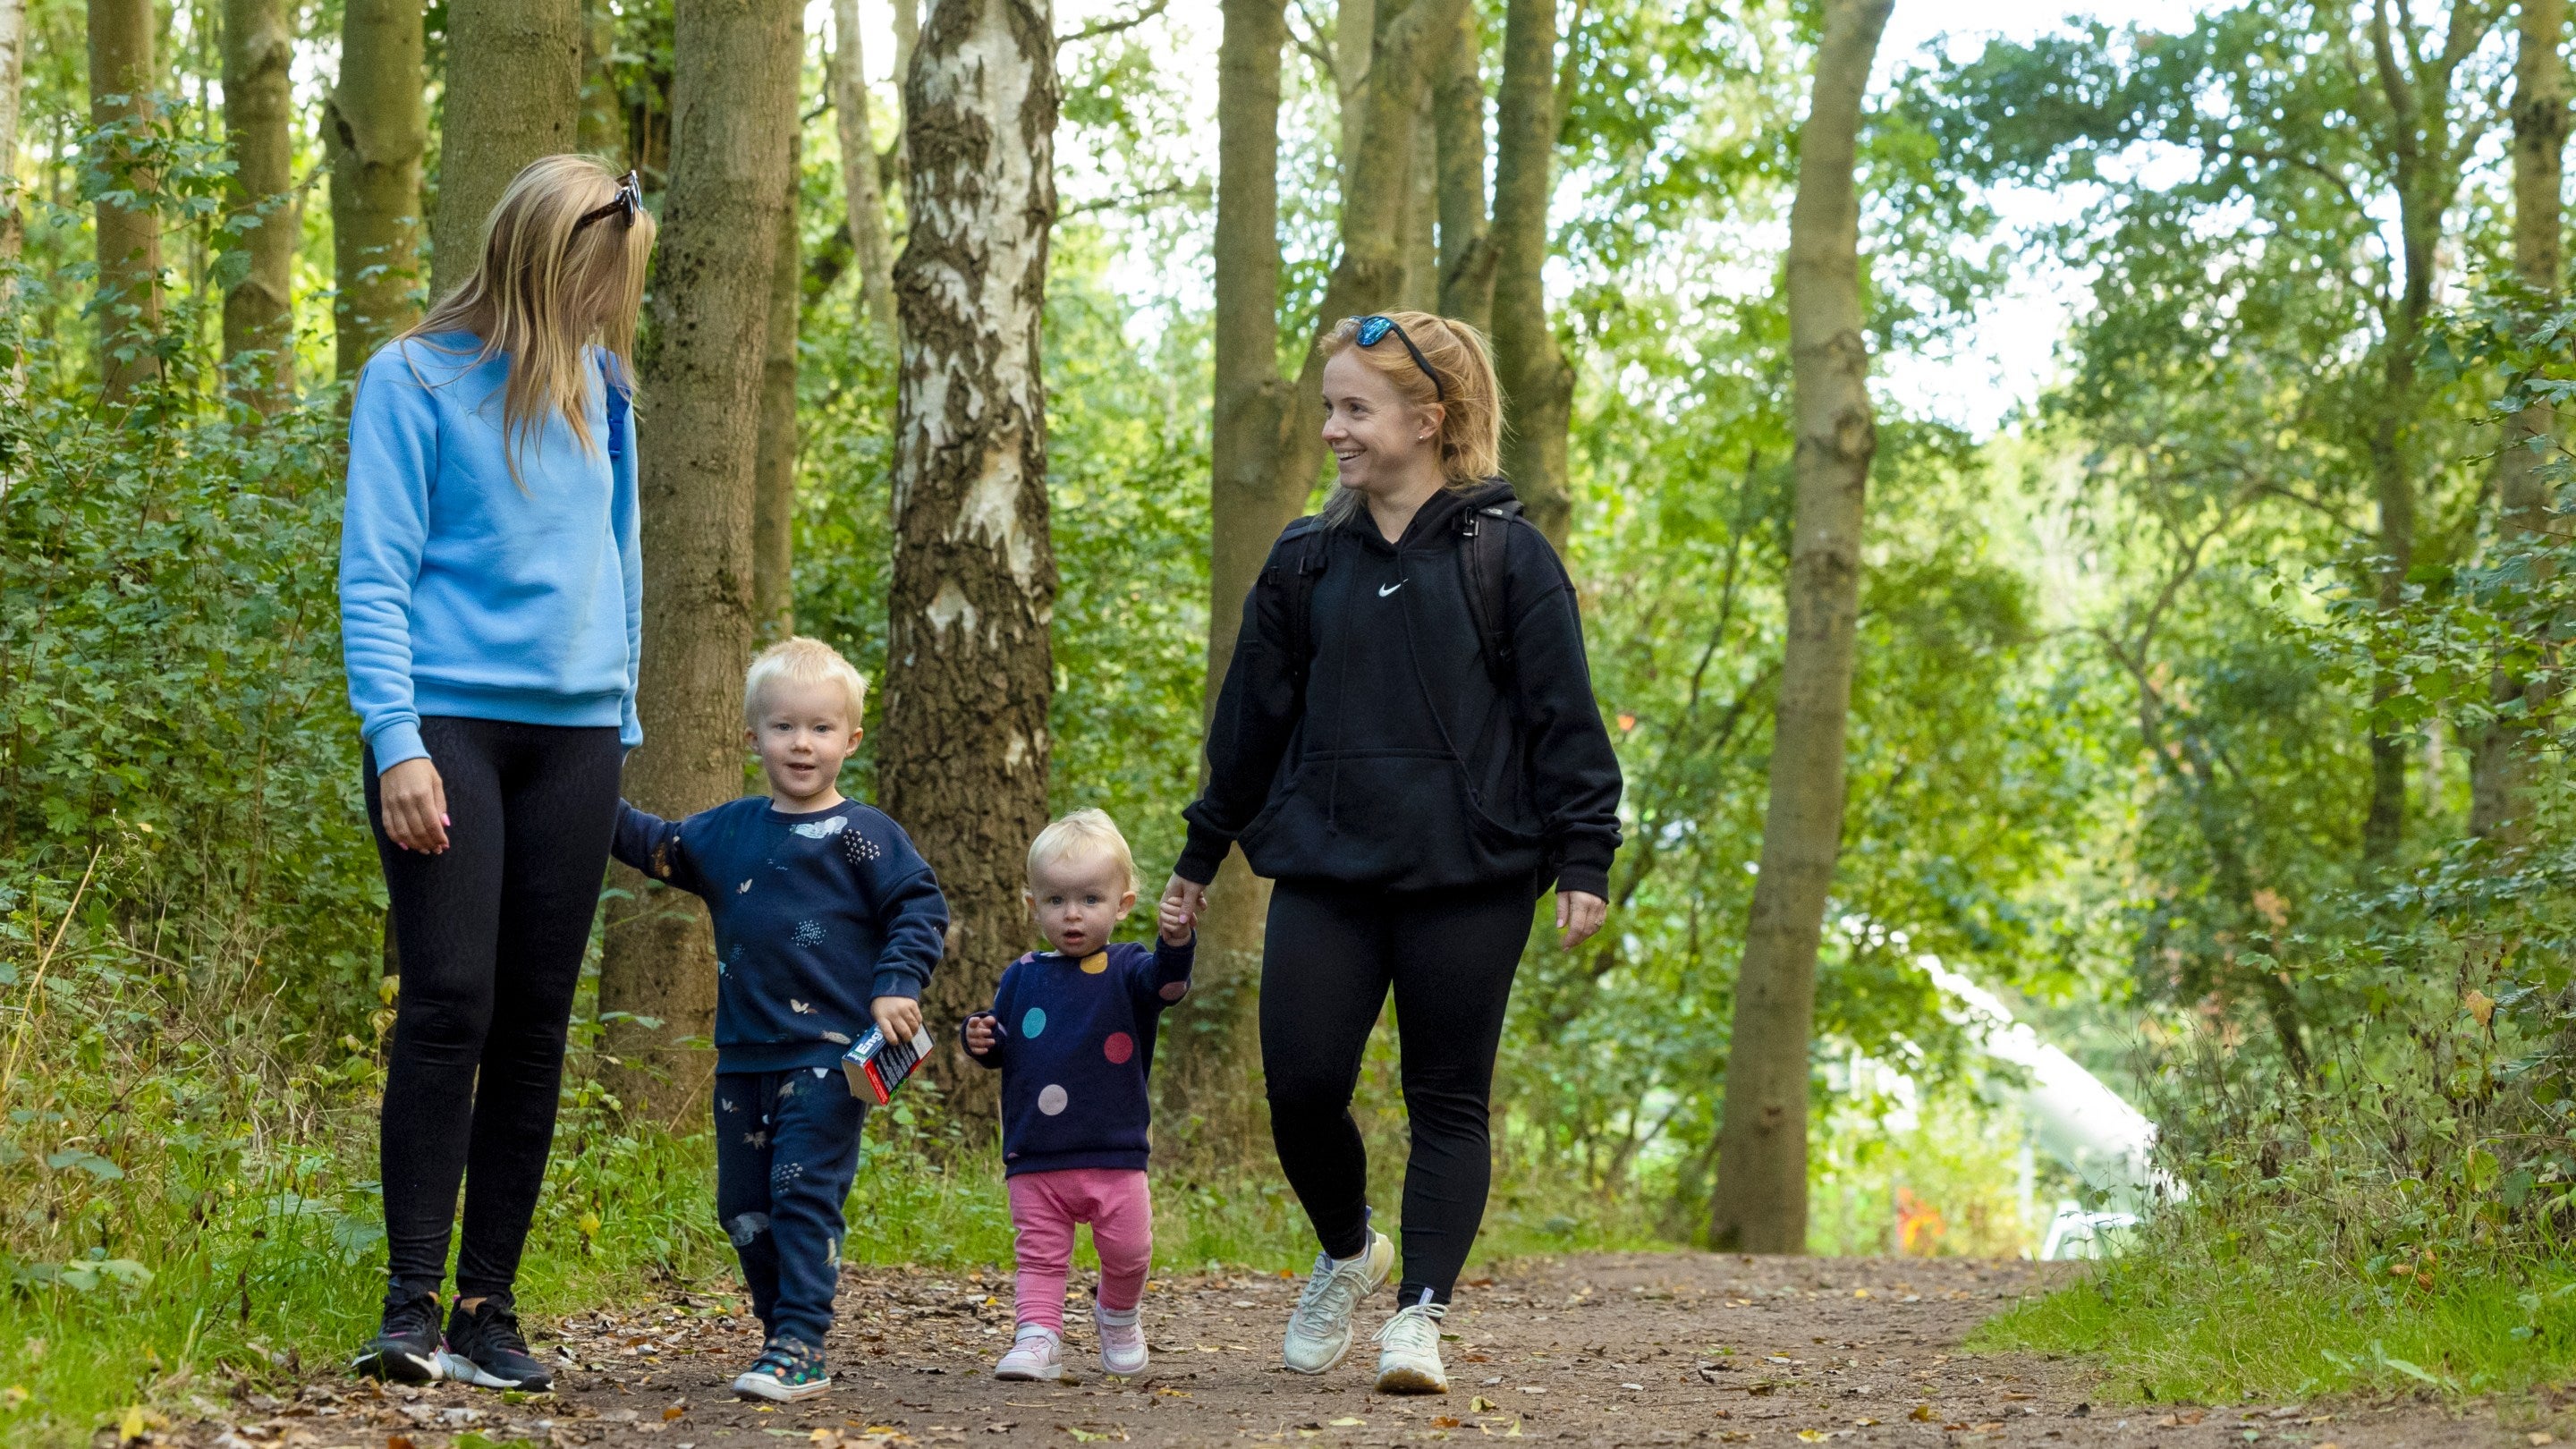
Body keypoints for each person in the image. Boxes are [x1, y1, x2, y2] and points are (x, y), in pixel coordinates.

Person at [1161, 310, 1623, 1394]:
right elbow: (1250, 720)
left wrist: (1585, 857)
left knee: (1447, 1097)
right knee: (1303, 1088)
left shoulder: (1508, 557)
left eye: (1354, 409)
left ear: (1430, 419)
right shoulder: (1305, 558)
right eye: (1330, 407)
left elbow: (1566, 719)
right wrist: (1199, 852)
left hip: (1474, 871)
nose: (1333, 430)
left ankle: (1420, 1315)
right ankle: (1346, 1248)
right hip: (1327, 863)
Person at [342, 155, 656, 1390]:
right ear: (547, 256)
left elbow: (621, 562)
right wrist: (397, 741)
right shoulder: (411, 377)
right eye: (602, 276)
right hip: (450, 729)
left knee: (535, 1026)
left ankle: (489, 1312)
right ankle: (411, 1308)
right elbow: (376, 574)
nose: (611, 301)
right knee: (448, 1004)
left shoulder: (608, 388)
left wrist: (621, 716)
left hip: (576, 742)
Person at [608, 637, 949, 1402]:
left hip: (830, 1057)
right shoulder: (727, 832)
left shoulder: (864, 835)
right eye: (784, 727)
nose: (802, 743)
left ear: (850, 740)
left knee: (802, 1191)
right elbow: (649, 843)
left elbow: (919, 904)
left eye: (822, 728)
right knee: (744, 1207)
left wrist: (897, 982)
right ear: (752, 736)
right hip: (743, 1058)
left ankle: (801, 1341)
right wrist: (577, 777)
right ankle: (779, 1333)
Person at [962, 809, 1198, 1382]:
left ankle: (1118, 1315)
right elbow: (1003, 1045)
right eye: (1056, 900)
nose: (1072, 914)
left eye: (1090, 899)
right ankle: (1037, 1336)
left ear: (1122, 904)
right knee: (1039, 1257)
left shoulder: (1130, 966)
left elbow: (1168, 988)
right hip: (1036, 1151)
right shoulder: (1020, 975)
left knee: (1129, 1252)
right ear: (1032, 904)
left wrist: (1177, 940)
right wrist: (980, 1038)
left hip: (1114, 1149)